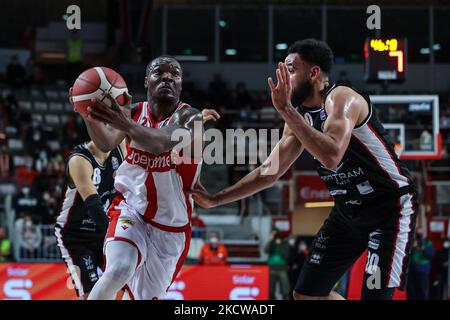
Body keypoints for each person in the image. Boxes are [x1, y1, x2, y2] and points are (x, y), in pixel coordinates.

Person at [192, 39, 418, 300]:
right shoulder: (299, 116)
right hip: (349, 211)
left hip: (390, 208)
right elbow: (269, 171)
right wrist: (216, 199)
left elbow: (332, 156)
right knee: (305, 296)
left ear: (313, 73)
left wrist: (287, 110)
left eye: (290, 69)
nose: (283, 78)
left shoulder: (341, 98)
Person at [77, 55, 219, 300]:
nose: (167, 78)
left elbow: (159, 143)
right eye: (159, 73)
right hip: (131, 209)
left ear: (181, 85)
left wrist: (125, 123)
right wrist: (87, 111)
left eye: (174, 74)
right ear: (146, 82)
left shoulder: (191, 117)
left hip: (171, 226)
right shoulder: (133, 112)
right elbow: (105, 142)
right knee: (118, 270)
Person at [54, 140, 126, 299]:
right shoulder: (79, 159)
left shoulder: (121, 147)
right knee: (90, 294)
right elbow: (94, 209)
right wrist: (119, 235)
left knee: (127, 283)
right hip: (75, 237)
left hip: (102, 234)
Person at [406, 229, 435, 300]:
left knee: (422, 292)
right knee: (411, 292)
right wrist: (412, 247)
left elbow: (431, 255)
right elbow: (406, 254)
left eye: (420, 232)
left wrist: (422, 249)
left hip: (422, 271)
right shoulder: (412, 242)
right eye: (417, 232)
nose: (419, 234)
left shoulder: (427, 242)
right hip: (411, 271)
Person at [265, 229, 291, 300]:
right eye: (273, 235)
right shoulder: (271, 243)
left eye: (275, 234)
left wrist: (280, 245)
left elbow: (286, 254)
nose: (274, 236)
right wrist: (270, 241)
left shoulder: (285, 243)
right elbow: (266, 250)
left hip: (282, 268)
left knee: (285, 289)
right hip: (271, 268)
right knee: (270, 289)